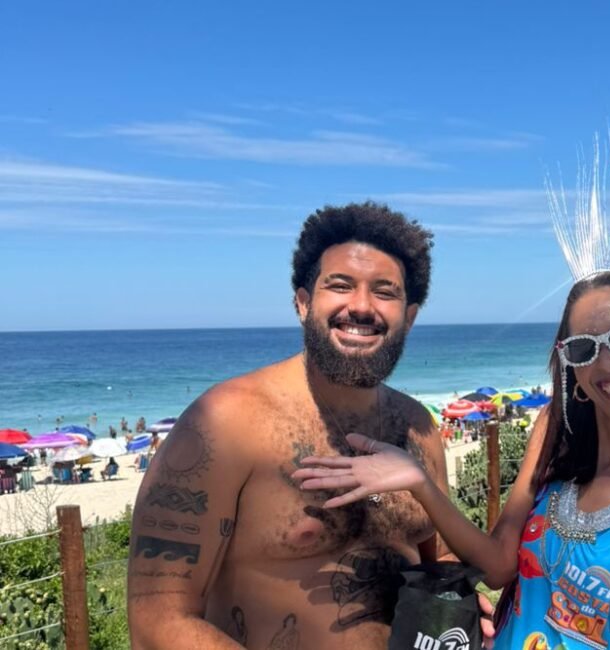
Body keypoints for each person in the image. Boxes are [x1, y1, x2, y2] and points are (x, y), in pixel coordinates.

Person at [295, 120, 610, 649]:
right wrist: (420, 483)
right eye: (584, 348)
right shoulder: (555, 432)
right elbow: (497, 566)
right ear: (571, 366)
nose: (607, 362)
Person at [128, 202, 453, 649]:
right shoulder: (227, 422)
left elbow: (437, 557)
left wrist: (459, 603)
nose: (362, 306)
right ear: (303, 303)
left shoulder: (418, 426)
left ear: (409, 317)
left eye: (384, 291)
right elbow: (156, 617)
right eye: (340, 285)